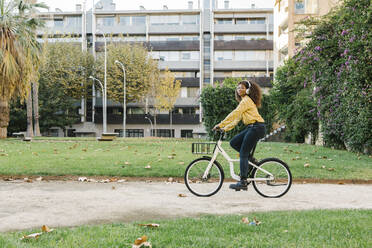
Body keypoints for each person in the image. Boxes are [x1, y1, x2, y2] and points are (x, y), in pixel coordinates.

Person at [213, 80, 266, 191]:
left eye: (242, 87)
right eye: (237, 88)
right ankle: (252, 161)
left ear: (247, 90)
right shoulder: (243, 102)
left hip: (256, 127)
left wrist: (220, 124)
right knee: (233, 142)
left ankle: (243, 181)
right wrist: (224, 128)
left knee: (243, 153)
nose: (239, 89)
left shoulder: (246, 101)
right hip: (252, 127)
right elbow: (236, 119)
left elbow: (234, 113)